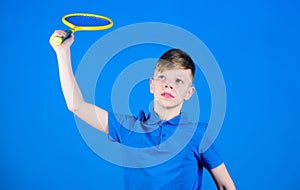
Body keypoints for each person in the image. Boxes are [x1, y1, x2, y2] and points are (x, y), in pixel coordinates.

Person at [49, 30, 236, 190]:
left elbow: (226, 186)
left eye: (178, 81)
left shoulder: (198, 134)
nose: (169, 85)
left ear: (189, 92)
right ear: (152, 85)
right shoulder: (129, 128)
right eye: (163, 78)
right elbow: (76, 105)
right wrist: (62, 53)